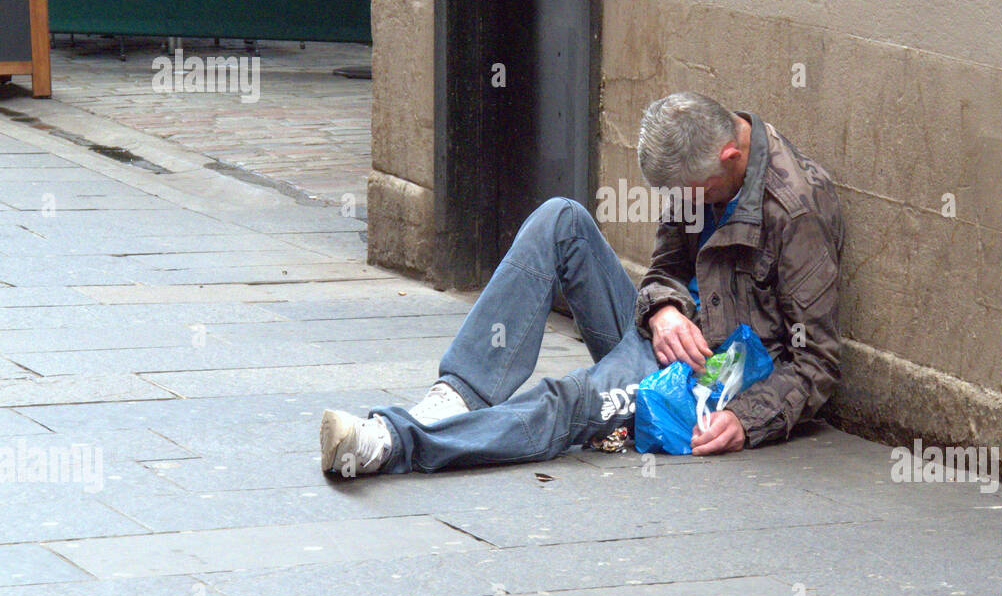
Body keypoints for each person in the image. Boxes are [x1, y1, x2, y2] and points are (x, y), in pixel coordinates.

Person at [319, 91, 845, 477]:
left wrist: (746, 419)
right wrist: (662, 309)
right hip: (667, 335)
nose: (685, 204)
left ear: (729, 157)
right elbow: (663, 272)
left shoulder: (796, 214)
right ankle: (457, 396)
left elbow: (817, 361)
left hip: (711, 377)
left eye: (694, 193)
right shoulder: (701, 165)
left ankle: (390, 442)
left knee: (568, 401)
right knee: (560, 217)